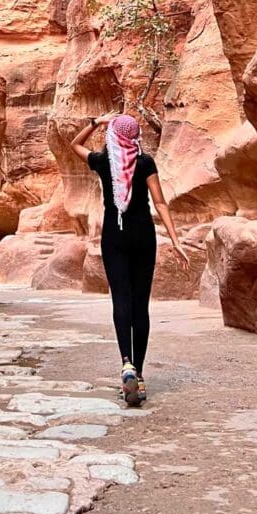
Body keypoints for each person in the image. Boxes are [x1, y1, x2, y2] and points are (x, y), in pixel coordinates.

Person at [70, 112, 190, 406]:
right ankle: (140, 372)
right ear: (135, 136)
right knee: (140, 305)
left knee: (120, 301)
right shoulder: (145, 162)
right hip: (143, 236)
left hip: (115, 237)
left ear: (113, 136)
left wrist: (96, 122)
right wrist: (175, 240)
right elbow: (159, 202)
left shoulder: (103, 162)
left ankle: (126, 364)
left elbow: (74, 145)